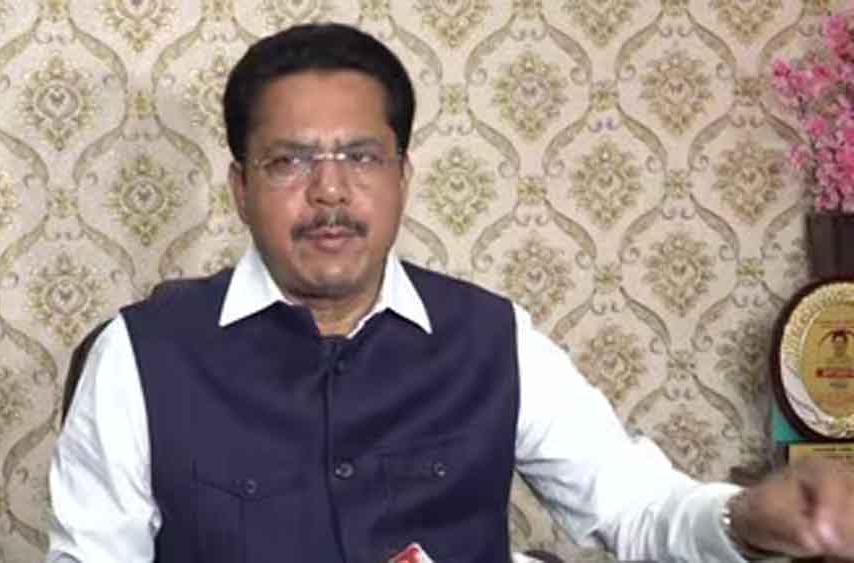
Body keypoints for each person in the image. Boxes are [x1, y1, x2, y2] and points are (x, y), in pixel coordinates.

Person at [46, 22, 854, 563]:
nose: (330, 191)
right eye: (290, 161)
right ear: (240, 187)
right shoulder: (139, 358)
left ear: (402, 176)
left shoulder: (491, 338)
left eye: (361, 157)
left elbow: (636, 506)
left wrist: (746, 518)